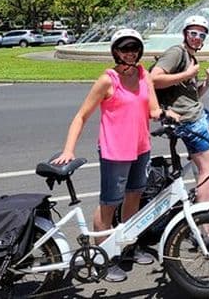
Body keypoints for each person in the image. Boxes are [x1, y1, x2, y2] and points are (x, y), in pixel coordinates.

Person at [52, 28, 164, 282]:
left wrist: (169, 115)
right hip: (115, 152)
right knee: (109, 205)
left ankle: (127, 247)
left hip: (141, 148)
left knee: (133, 198)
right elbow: (81, 116)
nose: (130, 53)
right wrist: (69, 149)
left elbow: (153, 109)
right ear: (116, 52)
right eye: (125, 49)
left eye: (134, 48)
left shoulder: (143, 74)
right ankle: (103, 258)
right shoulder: (108, 80)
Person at [150, 15, 209, 205]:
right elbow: (153, 79)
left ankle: (207, 179)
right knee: (208, 165)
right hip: (187, 120)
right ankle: (204, 216)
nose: (197, 38)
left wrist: (208, 82)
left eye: (202, 35)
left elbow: (192, 96)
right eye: (193, 33)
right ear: (185, 33)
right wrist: (187, 73)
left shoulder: (190, 57)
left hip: (197, 112)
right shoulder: (176, 53)